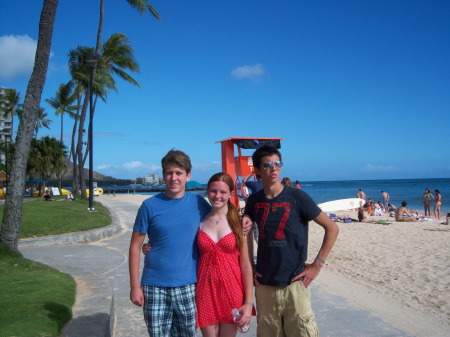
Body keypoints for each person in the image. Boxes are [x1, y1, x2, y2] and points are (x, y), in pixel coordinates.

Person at [243, 145, 339, 337]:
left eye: (277, 163)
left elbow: (332, 228)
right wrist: (250, 266)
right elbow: (246, 232)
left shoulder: (298, 197)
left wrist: (317, 264)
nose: (274, 168)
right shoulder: (253, 201)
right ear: (258, 170)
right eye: (268, 164)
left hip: (295, 283)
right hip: (264, 285)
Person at [129, 149, 212, 336]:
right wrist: (135, 286)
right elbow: (135, 246)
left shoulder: (199, 203)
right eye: (169, 172)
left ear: (188, 176)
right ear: (163, 175)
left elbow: (221, 220)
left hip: (188, 285)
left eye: (179, 173)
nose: (173, 178)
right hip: (154, 286)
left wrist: (246, 218)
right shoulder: (149, 206)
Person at [196, 173, 254, 336]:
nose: (217, 196)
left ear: (231, 194)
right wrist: (151, 246)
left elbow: (246, 265)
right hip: (205, 292)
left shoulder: (239, 222)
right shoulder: (199, 220)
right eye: (213, 191)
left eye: (223, 192)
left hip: (232, 291)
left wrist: (249, 303)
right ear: (207, 192)